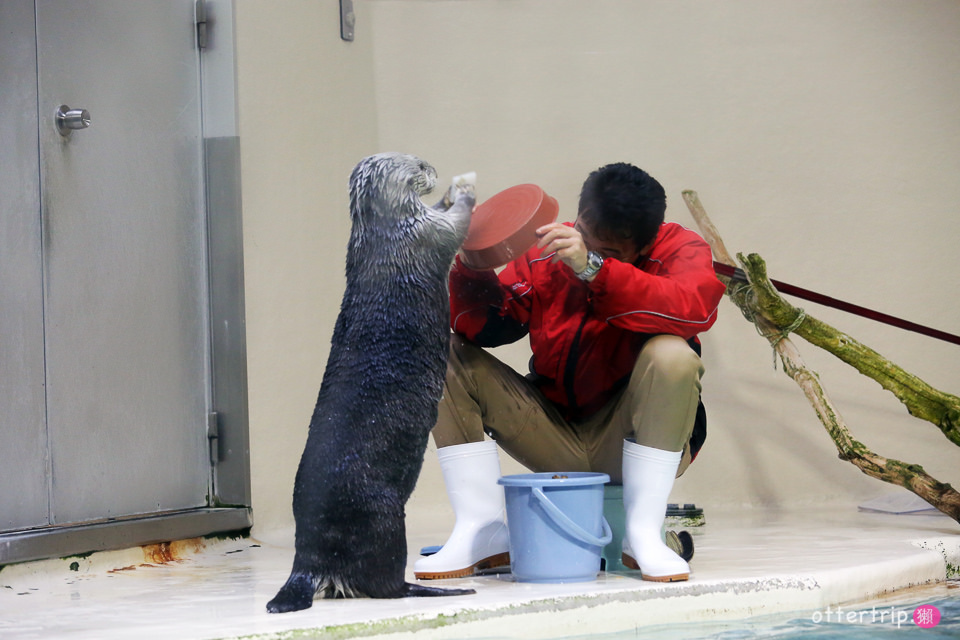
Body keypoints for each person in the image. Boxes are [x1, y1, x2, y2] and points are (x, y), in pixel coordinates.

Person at [414, 162, 726, 583]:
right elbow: (486, 326)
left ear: (647, 242)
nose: (581, 248)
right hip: (554, 433)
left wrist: (594, 268)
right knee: (444, 350)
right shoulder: (548, 248)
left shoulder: (678, 248)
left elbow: (695, 306)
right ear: (578, 217)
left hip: (631, 435)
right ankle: (484, 530)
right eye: (582, 234)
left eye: (608, 250)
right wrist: (470, 264)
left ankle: (643, 535)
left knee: (673, 355)